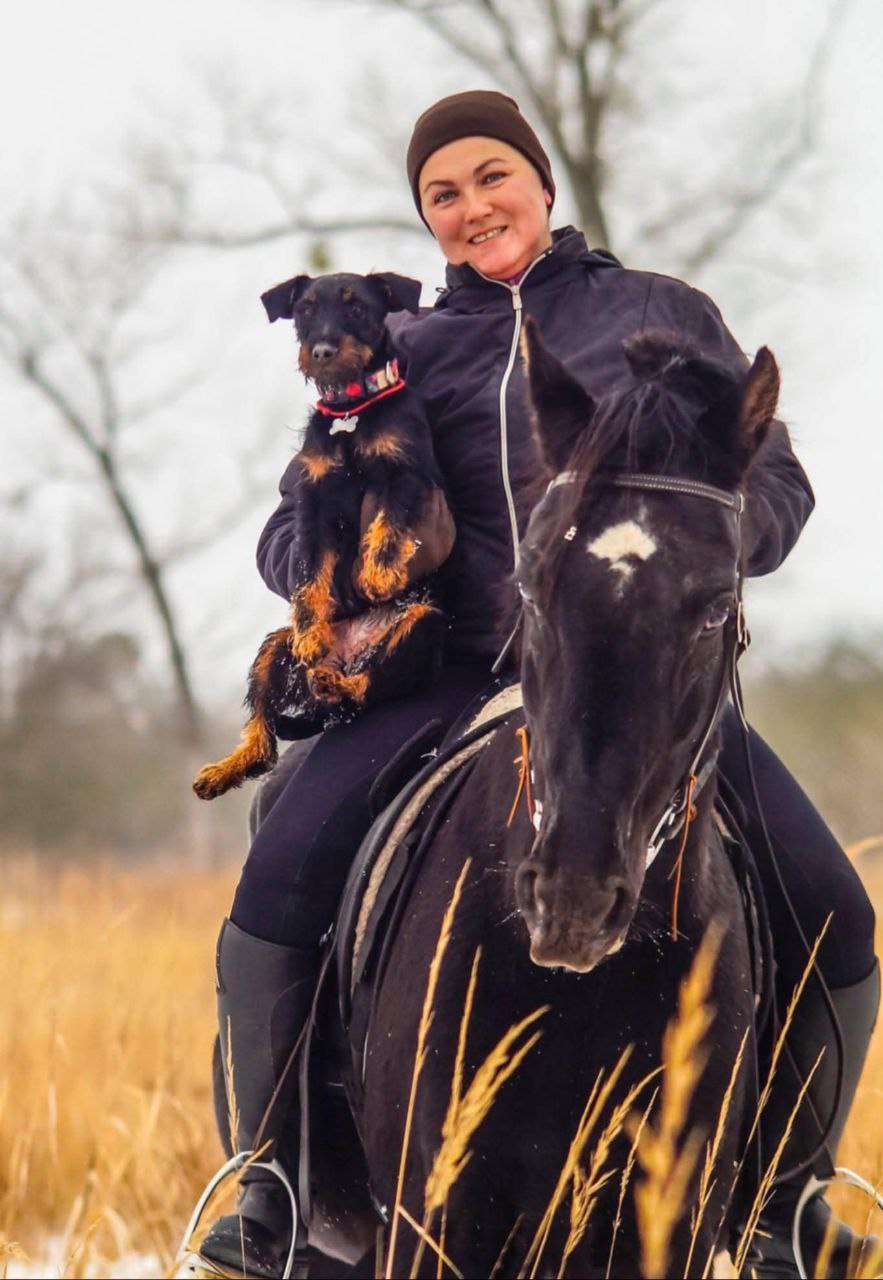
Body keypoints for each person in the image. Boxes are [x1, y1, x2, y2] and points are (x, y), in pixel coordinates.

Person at [198, 91, 879, 1280]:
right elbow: (287, 524)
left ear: (542, 182)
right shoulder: (401, 351)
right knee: (279, 870)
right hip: (442, 685)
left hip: (652, 692)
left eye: (490, 177)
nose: (472, 209)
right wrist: (336, 576)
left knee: (834, 905)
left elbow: (772, 478)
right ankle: (275, 1178)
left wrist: (713, 538)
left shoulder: (660, 311)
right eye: (441, 195)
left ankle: (785, 1193)